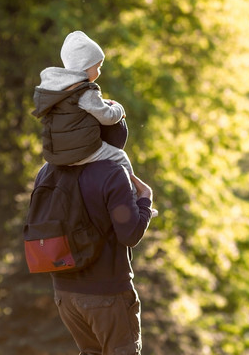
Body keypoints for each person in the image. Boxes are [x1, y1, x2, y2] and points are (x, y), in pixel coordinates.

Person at [32, 121, 154, 355]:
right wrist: (145, 200)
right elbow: (130, 234)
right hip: (107, 293)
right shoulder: (112, 172)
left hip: (65, 294)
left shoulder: (48, 170)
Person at [32, 30, 157, 216]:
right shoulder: (85, 91)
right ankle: (136, 201)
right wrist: (119, 109)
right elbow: (107, 117)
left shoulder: (58, 92)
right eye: (97, 67)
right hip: (82, 150)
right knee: (120, 157)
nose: (98, 72)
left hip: (57, 153)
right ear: (85, 66)